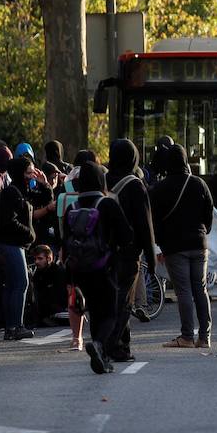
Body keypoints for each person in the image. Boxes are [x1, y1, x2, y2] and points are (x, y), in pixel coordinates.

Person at [64, 161, 134, 374]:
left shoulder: (72, 207)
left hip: (78, 269)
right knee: (110, 312)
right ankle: (100, 345)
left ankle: (100, 357)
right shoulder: (107, 204)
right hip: (104, 266)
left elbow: (65, 239)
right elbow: (126, 235)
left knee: (94, 311)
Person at [148, 144, 214, 349]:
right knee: (200, 289)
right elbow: (209, 212)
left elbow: (154, 220)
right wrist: (203, 231)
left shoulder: (159, 188)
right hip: (199, 242)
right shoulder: (199, 183)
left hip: (175, 246)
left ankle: (186, 336)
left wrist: (160, 244)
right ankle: (204, 337)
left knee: (183, 291)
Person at [108, 139, 157, 362]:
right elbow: (145, 225)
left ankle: (122, 346)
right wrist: (151, 257)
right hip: (128, 251)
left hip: (104, 250)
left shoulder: (105, 179)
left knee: (113, 298)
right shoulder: (135, 184)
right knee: (125, 301)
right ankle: (111, 345)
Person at [0, 151, 37, 340]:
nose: (32, 176)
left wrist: (45, 185)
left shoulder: (20, 190)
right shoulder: (12, 192)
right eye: (29, 173)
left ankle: (11, 327)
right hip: (11, 243)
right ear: (20, 173)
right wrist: (29, 233)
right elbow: (9, 220)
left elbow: (41, 200)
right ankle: (15, 326)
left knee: (13, 284)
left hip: (15, 243)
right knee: (21, 282)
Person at [29, 244, 70, 327]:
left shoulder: (59, 272)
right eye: (35, 259)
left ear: (49, 258)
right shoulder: (38, 274)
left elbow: (60, 296)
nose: (36, 262)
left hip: (60, 309)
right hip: (47, 311)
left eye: (40, 259)